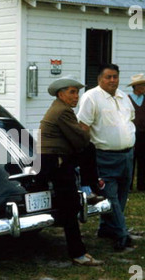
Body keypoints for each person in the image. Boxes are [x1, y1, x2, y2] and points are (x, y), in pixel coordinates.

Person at [38, 75, 103, 266]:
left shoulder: (60, 108)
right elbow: (81, 140)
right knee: (69, 206)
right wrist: (85, 131)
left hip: (55, 159)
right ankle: (78, 253)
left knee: (70, 204)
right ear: (61, 94)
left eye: (77, 93)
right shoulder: (63, 112)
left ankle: (89, 187)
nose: (77, 97)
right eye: (72, 92)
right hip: (55, 161)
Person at [77, 63, 136, 252]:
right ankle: (122, 234)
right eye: (108, 77)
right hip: (104, 156)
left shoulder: (124, 97)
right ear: (99, 79)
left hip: (127, 155)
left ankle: (107, 228)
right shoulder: (91, 97)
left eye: (115, 77)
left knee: (122, 194)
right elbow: (83, 127)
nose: (112, 80)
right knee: (110, 196)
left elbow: (130, 120)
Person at [127, 74, 145, 193]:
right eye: (143, 85)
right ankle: (128, 186)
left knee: (143, 159)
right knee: (131, 160)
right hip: (132, 133)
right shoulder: (127, 99)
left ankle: (142, 185)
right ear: (136, 86)